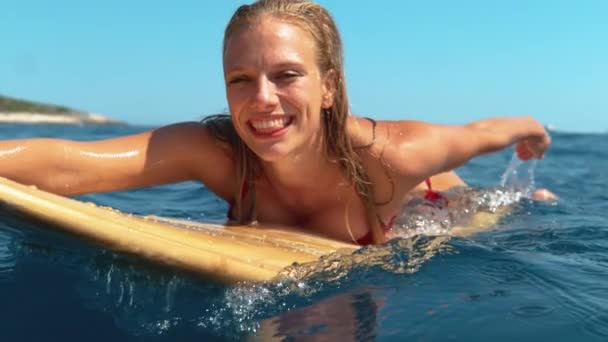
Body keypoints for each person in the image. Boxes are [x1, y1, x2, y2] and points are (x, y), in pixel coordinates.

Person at [0, 0, 552, 245]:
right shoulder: (216, 152)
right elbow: (72, 164)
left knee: (488, 210)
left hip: (425, 199)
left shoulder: (396, 154)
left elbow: (482, 134)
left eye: (286, 75)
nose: (261, 99)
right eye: (240, 79)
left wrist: (529, 129)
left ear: (329, 87)